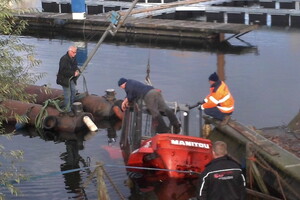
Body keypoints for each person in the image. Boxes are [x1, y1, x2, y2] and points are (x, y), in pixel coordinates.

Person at [56, 46, 80, 113]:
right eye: (73, 52)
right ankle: (67, 109)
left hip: (71, 78)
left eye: (75, 52)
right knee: (67, 94)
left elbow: (75, 66)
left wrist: (77, 71)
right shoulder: (63, 59)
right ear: (69, 51)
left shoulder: (74, 58)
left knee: (73, 91)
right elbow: (63, 71)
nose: (74, 54)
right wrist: (73, 73)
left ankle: (71, 106)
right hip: (64, 79)